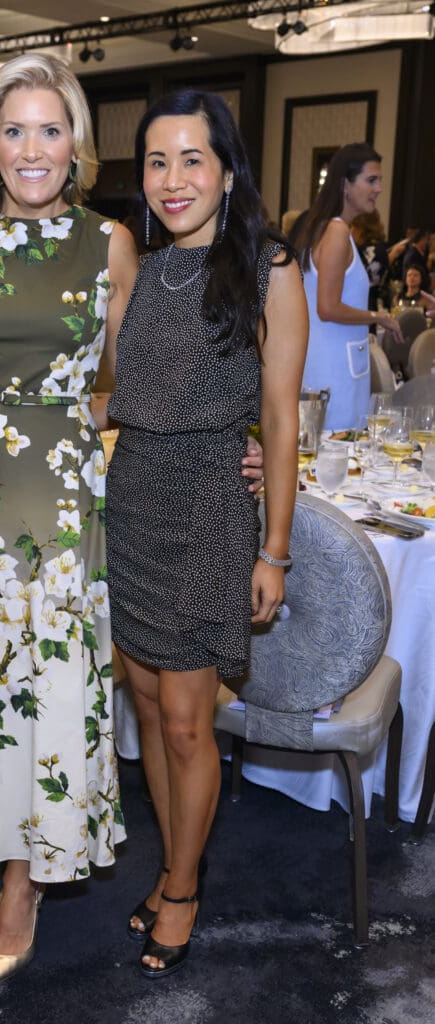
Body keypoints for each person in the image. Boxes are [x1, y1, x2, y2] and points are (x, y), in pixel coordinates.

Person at [0, 56, 266, 990]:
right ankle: (1, 851)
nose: (32, 149)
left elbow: (154, 372)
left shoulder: (109, 243)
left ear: (77, 146)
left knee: (49, 691)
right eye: (14, 130)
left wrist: (250, 438)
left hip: (66, 499)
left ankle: (23, 884)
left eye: (50, 130)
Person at [105, 90, 307, 979]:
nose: (173, 178)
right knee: (146, 708)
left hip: (207, 513)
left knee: (189, 722)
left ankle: (183, 887)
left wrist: (274, 548)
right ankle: (169, 864)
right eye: (156, 161)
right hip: (134, 501)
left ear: (226, 169)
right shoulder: (141, 269)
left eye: (192, 159)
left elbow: (280, 419)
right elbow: (121, 396)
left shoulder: (269, 268)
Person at [295, 143, 401, 431]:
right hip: (335, 368)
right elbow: (327, 307)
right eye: (371, 180)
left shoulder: (322, 228)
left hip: (328, 362)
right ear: (345, 184)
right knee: (338, 452)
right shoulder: (337, 231)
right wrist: (377, 317)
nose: (378, 188)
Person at [351, 210, 390, 312]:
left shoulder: (364, 250)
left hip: (359, 307)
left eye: (353, 226)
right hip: (369, 306)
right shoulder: (381, 250)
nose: (350, 231)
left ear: (360, 229)